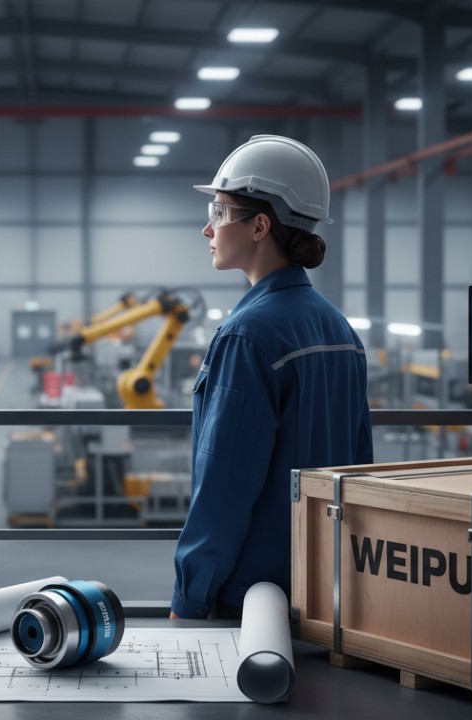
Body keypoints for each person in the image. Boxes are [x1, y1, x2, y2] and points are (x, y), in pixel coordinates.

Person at [170, 135, 373, 620]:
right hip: (325, 586)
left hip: (251, 596)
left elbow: (224, 484)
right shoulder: (338, 328)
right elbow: (360, 466)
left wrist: (190, 596)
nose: (207, 229)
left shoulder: (248, 335)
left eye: (219, 213)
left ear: (260, 225)